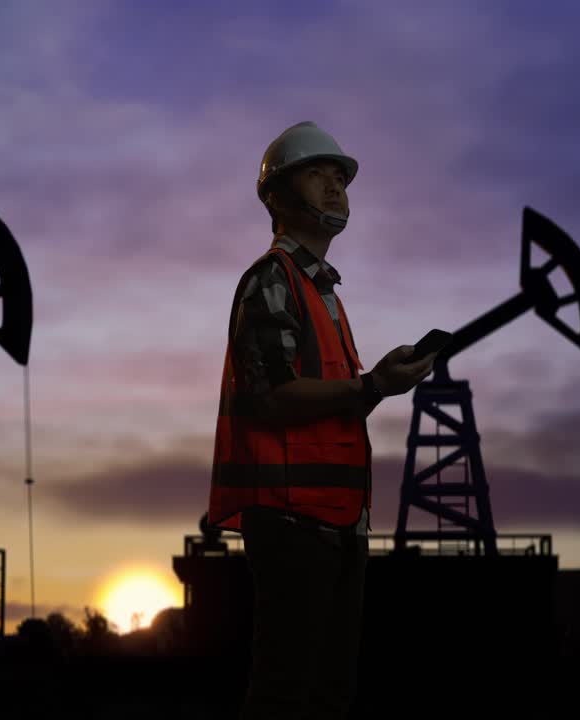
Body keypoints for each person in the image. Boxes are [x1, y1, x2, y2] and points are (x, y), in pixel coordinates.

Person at [207, 121, 438, 719]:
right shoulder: (272, 280)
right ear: (278, 198)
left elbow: (332, 399)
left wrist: (379, 384)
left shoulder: (324, 293)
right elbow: (272, 398)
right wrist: (369, 385)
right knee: (288, 691)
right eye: (318, 174)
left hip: (335, 519)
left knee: (329, 693)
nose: (336, 187)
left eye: (341, 178)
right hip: (291, 517)